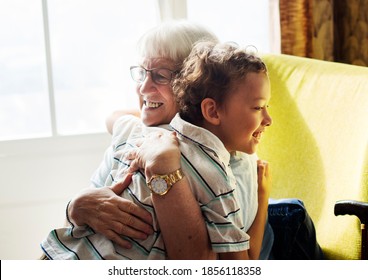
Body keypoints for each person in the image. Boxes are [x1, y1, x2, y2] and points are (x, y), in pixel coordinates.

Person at [40, 40, 272, 260]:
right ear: (210, 110)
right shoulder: (212, 174)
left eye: (160, 76)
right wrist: (76, 206)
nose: (143, 87)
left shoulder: (229, 167)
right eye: (142, 73)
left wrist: (162, 169)